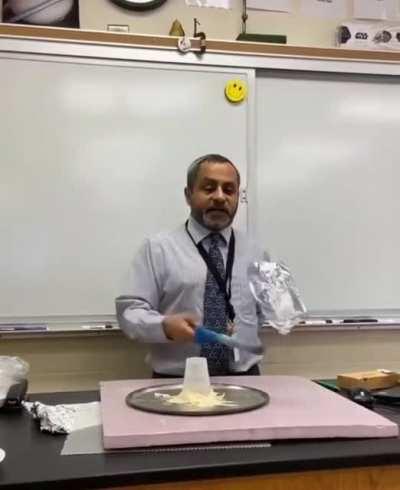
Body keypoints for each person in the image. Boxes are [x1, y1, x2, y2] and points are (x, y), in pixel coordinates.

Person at [116, 154, 266, 378]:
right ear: (188, 195)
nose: (219, 197)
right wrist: (164, 326)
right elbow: (130, 311)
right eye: (208, 188)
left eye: (228, 190)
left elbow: (262, 313)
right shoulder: (158, 248)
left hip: (245, 378)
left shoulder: (256, 252)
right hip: (177, 382)